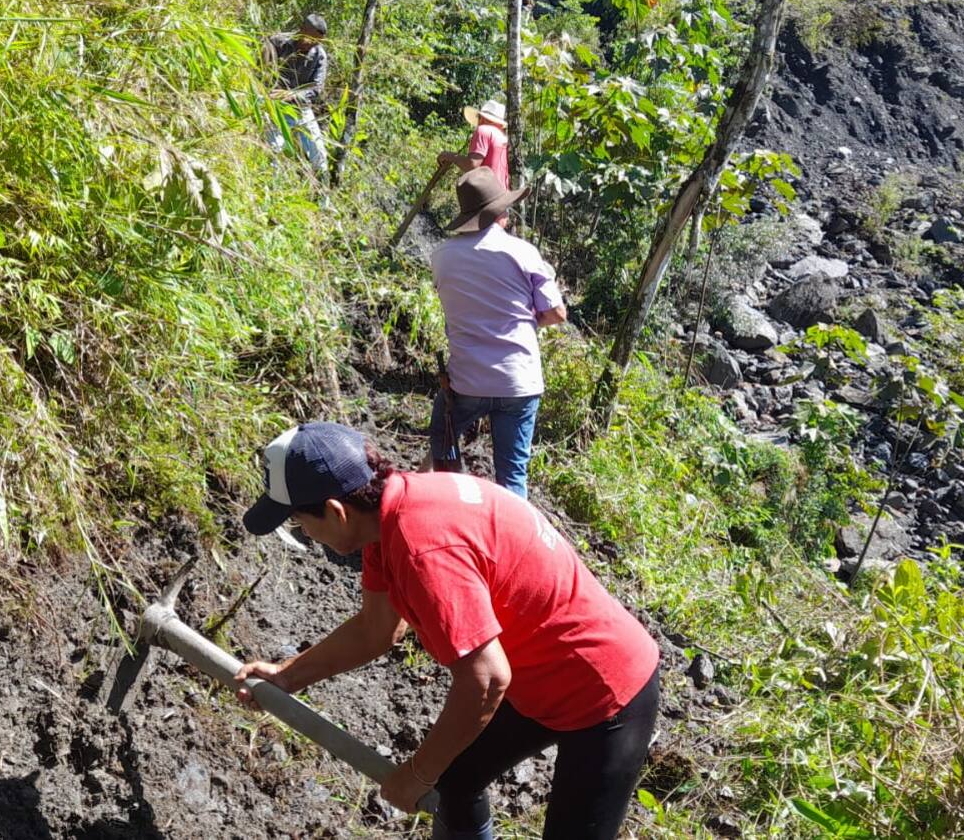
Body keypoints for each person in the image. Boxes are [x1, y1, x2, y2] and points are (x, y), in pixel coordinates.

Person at [235, 422, 662, 840]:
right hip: (541, 675)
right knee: (454, 782)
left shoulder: (422, 548)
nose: (306, 534)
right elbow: (375, 629)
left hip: (605, 691)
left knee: (443, 776)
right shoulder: (390, 516)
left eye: (300, 522)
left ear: (335, 511)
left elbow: (486, 679)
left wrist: (417, 775)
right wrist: (288, 675)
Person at [428, 166, 565, 498]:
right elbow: (556, 313)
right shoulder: (523, 252)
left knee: (442, 438)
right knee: (512, 476)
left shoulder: (441, 256)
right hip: (518, 381)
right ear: (501, 213)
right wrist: (526, 321)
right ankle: (510, 525)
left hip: (467, 379)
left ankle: (450, 494)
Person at [263, 13, 329, 175]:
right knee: (274, 151)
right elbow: (261, 71)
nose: (312, 44)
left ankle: (322, 188)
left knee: (320, 157)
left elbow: (316, 88)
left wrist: (292, 94)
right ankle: (270, 184)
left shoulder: (319, 55)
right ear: (302, 30)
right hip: (275, 106)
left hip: (301, 108)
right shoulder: (277, 42)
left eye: (317, 42)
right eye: (310, 39)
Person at [437, 100, 510, 189]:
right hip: (503, 192)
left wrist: (449, 156)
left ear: (482, 118)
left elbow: (472, 165)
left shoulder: (483, 130)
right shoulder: (504, 138)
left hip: (485, 192)